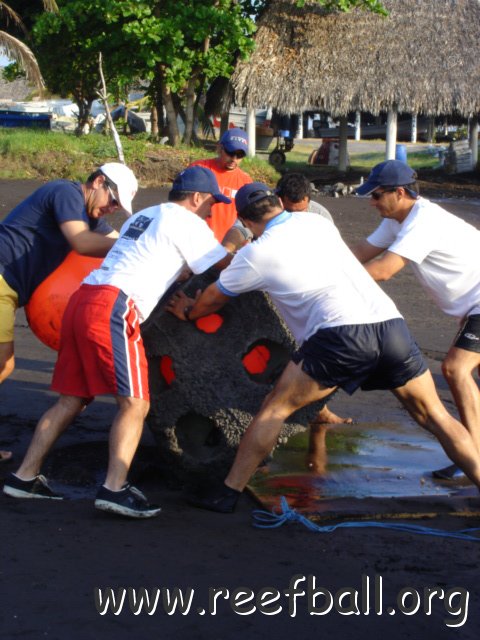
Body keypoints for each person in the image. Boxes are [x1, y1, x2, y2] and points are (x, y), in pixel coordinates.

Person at [167, 182, 480, 513]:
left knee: (275, 408)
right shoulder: (317, 223)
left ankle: (228, 492)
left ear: (245, 220)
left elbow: (211, 300)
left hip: (338, 335)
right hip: (390, 325)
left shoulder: (255, 254)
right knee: (436, 415)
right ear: (279, 204)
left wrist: (187, 309)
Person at [2, 166, 242, 518]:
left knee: (71, 399)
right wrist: (236, 238)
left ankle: (24, 476)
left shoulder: (145, 216)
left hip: (82, 299)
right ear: (197, 198)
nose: (211, 212)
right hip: (115, 306)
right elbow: (226, 266)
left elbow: (158, 260)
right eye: (211, 205)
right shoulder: (188, 222)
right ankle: (115, 488)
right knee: (135, 405)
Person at [0, 162, 138, 463]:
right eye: (112, 200)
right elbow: (83, 242)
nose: (112, 208)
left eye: (118, 206)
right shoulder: (65, 192)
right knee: (2, 364)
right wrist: (131, 247)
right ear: (99, 182)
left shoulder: (89, 214)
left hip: (8, 289)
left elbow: (115, 237)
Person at [352, 160, 480, 480]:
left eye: (377, 195)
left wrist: (333, 286)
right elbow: (361, 253)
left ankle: (472, 453)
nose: (372, 202)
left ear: (399, 192)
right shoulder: (396, 217)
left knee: (455, 368)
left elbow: (383, 270)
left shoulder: (424, 221)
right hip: (471, 307)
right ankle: (469, 451)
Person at [275, 172, 351, 427]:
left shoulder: (320, 215)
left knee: (313, 349)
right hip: (276, 283)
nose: (298, 216)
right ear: (280, 200)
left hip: (312, 286)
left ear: (308, 198)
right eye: (291, 211)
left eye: (302, 208)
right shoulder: (268, 209)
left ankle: (320, 409)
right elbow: (241, 231)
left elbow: (333, 252)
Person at [190, 127, 252, 246]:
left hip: (226, 247)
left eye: (239, 155)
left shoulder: (246, 181)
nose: (234, 159)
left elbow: (247, 220)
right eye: (230, 152)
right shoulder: (199, 169)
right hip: (196, 243)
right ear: (219, 148)